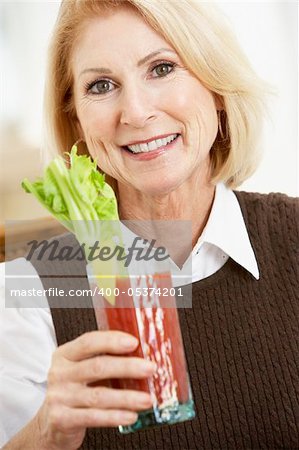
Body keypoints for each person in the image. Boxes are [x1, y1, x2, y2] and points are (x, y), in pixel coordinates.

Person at [1, 0, 298, 449]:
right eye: (101, 85)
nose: (135, 113)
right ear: (76, 119)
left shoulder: (291, 239)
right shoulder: (24, 300)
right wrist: (46, 432)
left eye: (161, 68)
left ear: (216, 88)